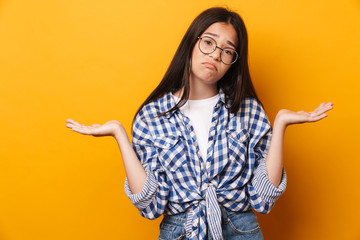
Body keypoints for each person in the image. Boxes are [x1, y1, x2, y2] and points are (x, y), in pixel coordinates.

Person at [65, 7, 333, 240]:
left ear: (232, 63)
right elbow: (151, 205)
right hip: (179, 231)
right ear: (191, 44)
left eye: (228, 51)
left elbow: (263, 199)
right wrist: (119, 134)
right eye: (208, 42)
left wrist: (282, 124)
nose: (216, 55)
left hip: (240, 230)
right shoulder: (152, 115)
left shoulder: (247, 109)